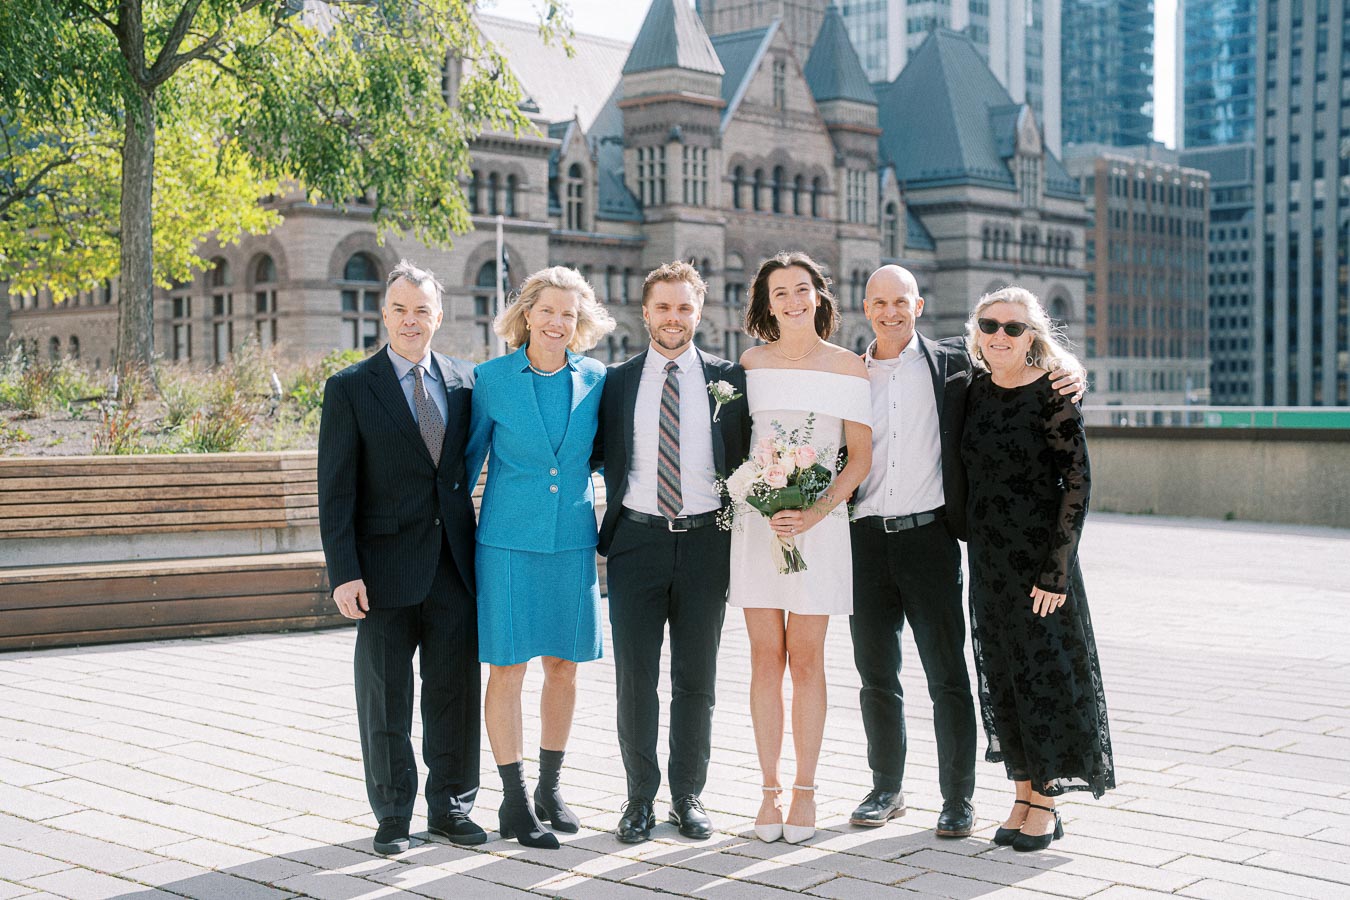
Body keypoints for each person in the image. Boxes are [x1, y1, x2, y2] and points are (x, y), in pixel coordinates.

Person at [847, 266, 1083, 839]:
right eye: (879, 302)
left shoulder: (954, 365)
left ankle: (958, 799)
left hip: (930, 538)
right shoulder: (846, 371)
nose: (890, 311)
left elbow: (1024, 362)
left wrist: (1072, 368)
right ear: (865, 306)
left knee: (948, 675)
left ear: (919, 305)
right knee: (876, 674)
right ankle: (887, 788)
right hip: (862, 538)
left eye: (900, 301)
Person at [317, 260, 484, 856]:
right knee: (385, 698)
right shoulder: (350, 388)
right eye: (400, 309)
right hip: (381, 572)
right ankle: (393, 815)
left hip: (454, 568)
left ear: (439, 316)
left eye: (422, 310)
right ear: (383, 314)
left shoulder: (466, 383)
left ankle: (453, 808)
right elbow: (335, 489)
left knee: (454, 694)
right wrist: (344, 573)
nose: (411, 320)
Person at [595, 261, 752, 844]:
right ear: (645, 312)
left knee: (696, 678)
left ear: (699, 312)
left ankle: (688, 796)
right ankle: (639, 799)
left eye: (685, 307)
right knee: (635, 677)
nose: (674, 318)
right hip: (636, 541)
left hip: (707, 541)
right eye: (663, 307)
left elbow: (746, 457)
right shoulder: (617, 381)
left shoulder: (729, 380)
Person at [465, 265, 616, 849]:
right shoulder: (491, 379)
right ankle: (514, 799)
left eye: (569, 315)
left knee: (565, 666)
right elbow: (466, 464)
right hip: (506, 542)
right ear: (526, 313)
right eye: (547, 311)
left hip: (572, 541)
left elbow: (609, 454)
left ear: (580, 324)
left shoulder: (597, 379)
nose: (557, 323)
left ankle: (551, 788)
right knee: (508, 668)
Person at [961, 285, 1114, 852]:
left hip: (1039, 563)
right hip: (988, 562)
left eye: (1013, 328)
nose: (1000, 335)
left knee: (1044, 675)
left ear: (1033, 338)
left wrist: (1056, 571)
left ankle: (1046, 803)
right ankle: (1022, 792)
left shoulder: (1053, 390)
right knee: (1001, 676)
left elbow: (1077, 482)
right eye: (989, 324)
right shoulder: (972, 388)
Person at [727, 252, 872, 844]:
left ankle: (807, 790)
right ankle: (767, 791)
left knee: (806, 660)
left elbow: (858, 459)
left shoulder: (849, 368)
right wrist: (762, 497)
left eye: (801, 289)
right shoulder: (749, 364)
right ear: (765, 303)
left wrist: (813, 511)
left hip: (821, 525)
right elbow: (738, 447)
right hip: (758, 527)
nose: (792, 300)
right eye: (779, 292)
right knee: (765, 659)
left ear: (819, 295)